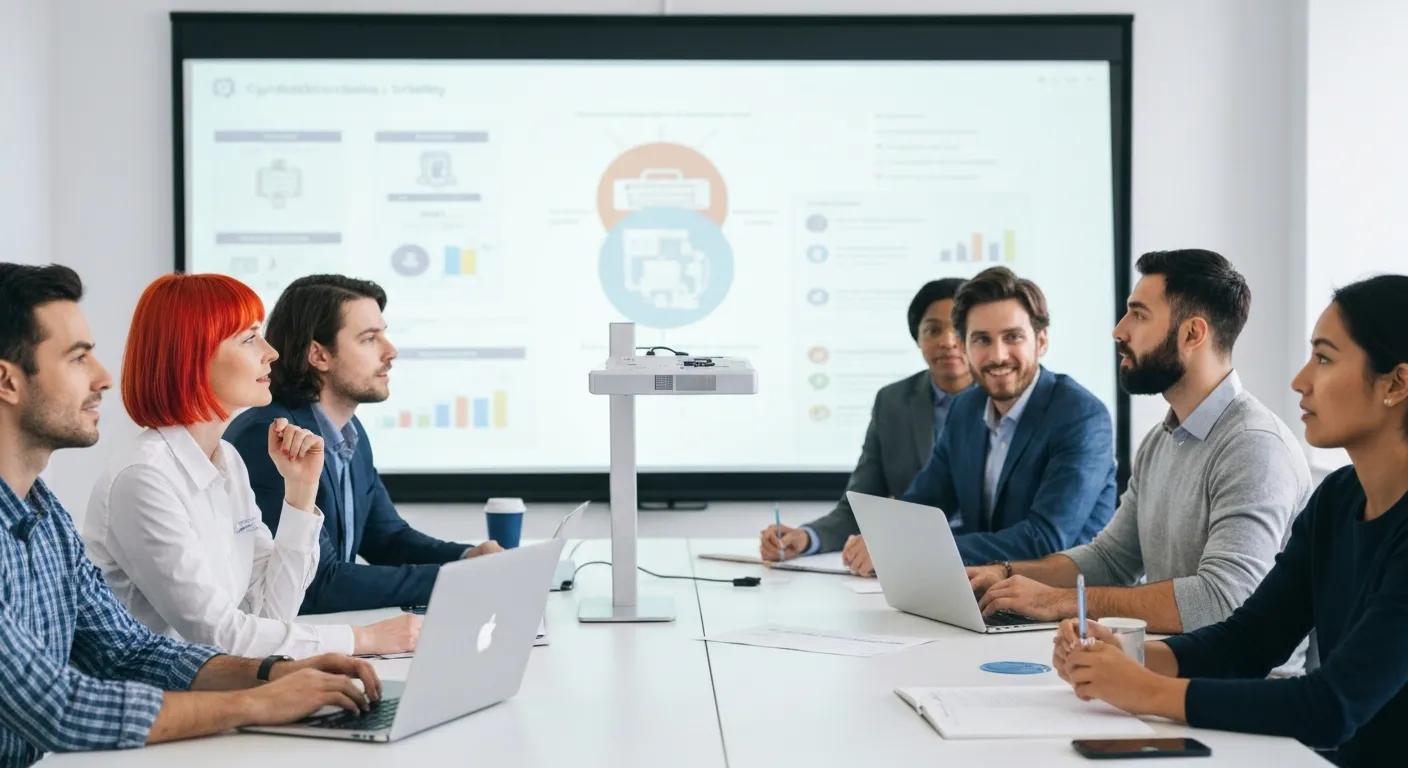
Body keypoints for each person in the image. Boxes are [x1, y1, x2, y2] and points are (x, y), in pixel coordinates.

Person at [0, 263, 382, 767]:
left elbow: (130, 651)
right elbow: (62, 708)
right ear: (7, 381)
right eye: (77, 358)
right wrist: (257, 700)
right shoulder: (142, 474)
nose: (103, 377)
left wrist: (271, 673)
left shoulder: (44, 518)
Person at [1054, 274, 1408, 768]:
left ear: (1395, 384)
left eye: (1324, 358)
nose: (1300, 380)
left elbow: (1332, 706)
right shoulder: (1337, 498)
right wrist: (1127, 655)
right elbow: (1249, 641)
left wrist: (1146, 691)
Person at [969, 250, 1312, 635]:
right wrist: (1002, 573)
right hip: (1167, 669)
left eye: (1139, 314)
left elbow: (1223, 601)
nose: (1120, 330)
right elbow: (1111, 560)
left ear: (1192, 334)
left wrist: (1062, 601)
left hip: (1244, 688)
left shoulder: (1254, 447)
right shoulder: (1161, 440)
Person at [83, 274, 420, 658]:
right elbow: (217, 635)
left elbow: (271, 612)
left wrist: (301, 497)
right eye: (249, 338)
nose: (271, 352)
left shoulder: (228, 462)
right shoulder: (144, 478)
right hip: (154, 704)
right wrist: (365, 640)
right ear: (194, 357)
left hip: (213, 687)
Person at [810, 267, 1118, 576]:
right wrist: (881, 538)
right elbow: (923, 501)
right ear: (965, 346)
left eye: (1012, 337)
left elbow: (1045, 539)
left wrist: (905, 547)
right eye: (982, 340)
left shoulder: (1081, 415)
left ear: (1041, 341)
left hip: (1071, 606)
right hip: (987, 597)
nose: (998, 355)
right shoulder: (966, 409)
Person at [226, 275, 502, 614]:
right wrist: (456, 579)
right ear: (319, 355)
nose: (391, 351)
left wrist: (469, 558)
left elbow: (386, 539)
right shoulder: (270, 438)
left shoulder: (349, 431)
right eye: (370, 339)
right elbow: (319, 584)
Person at [760, 278, 973, 562]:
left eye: (958, 329)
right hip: (912, 570)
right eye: (933, 330)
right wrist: (806, 537)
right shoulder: (893, 403)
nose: (947, 342)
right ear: (918, 338)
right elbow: (861, 507)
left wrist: (899, 546)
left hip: (988, 564)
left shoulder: (1003, 402)